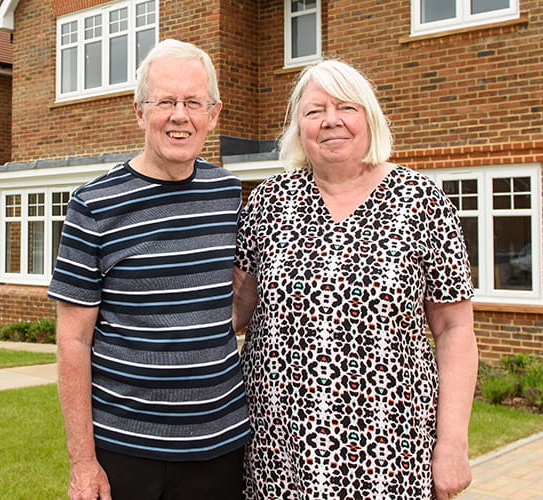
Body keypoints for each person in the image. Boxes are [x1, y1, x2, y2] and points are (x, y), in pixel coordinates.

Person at [233, 59, 478, 499]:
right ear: (298, 127)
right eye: (314, 111)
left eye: (345, 107)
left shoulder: (422, 201)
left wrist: (453, 444)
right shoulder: (268, 202)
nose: (330, 121)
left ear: (369, 116)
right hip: (277, 452)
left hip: (391, 452)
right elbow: (236, 311)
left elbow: (454, 328)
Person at [48, 39, 251, 500]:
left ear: (213, 114)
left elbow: (231, 305)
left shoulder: (228, 195)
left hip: (221, 447)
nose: (180, 116)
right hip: (127, 453)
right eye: (166, 102)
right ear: (140, 112)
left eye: (193, 102)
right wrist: (83, 462)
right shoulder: (94, 206)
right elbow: (73, 341)